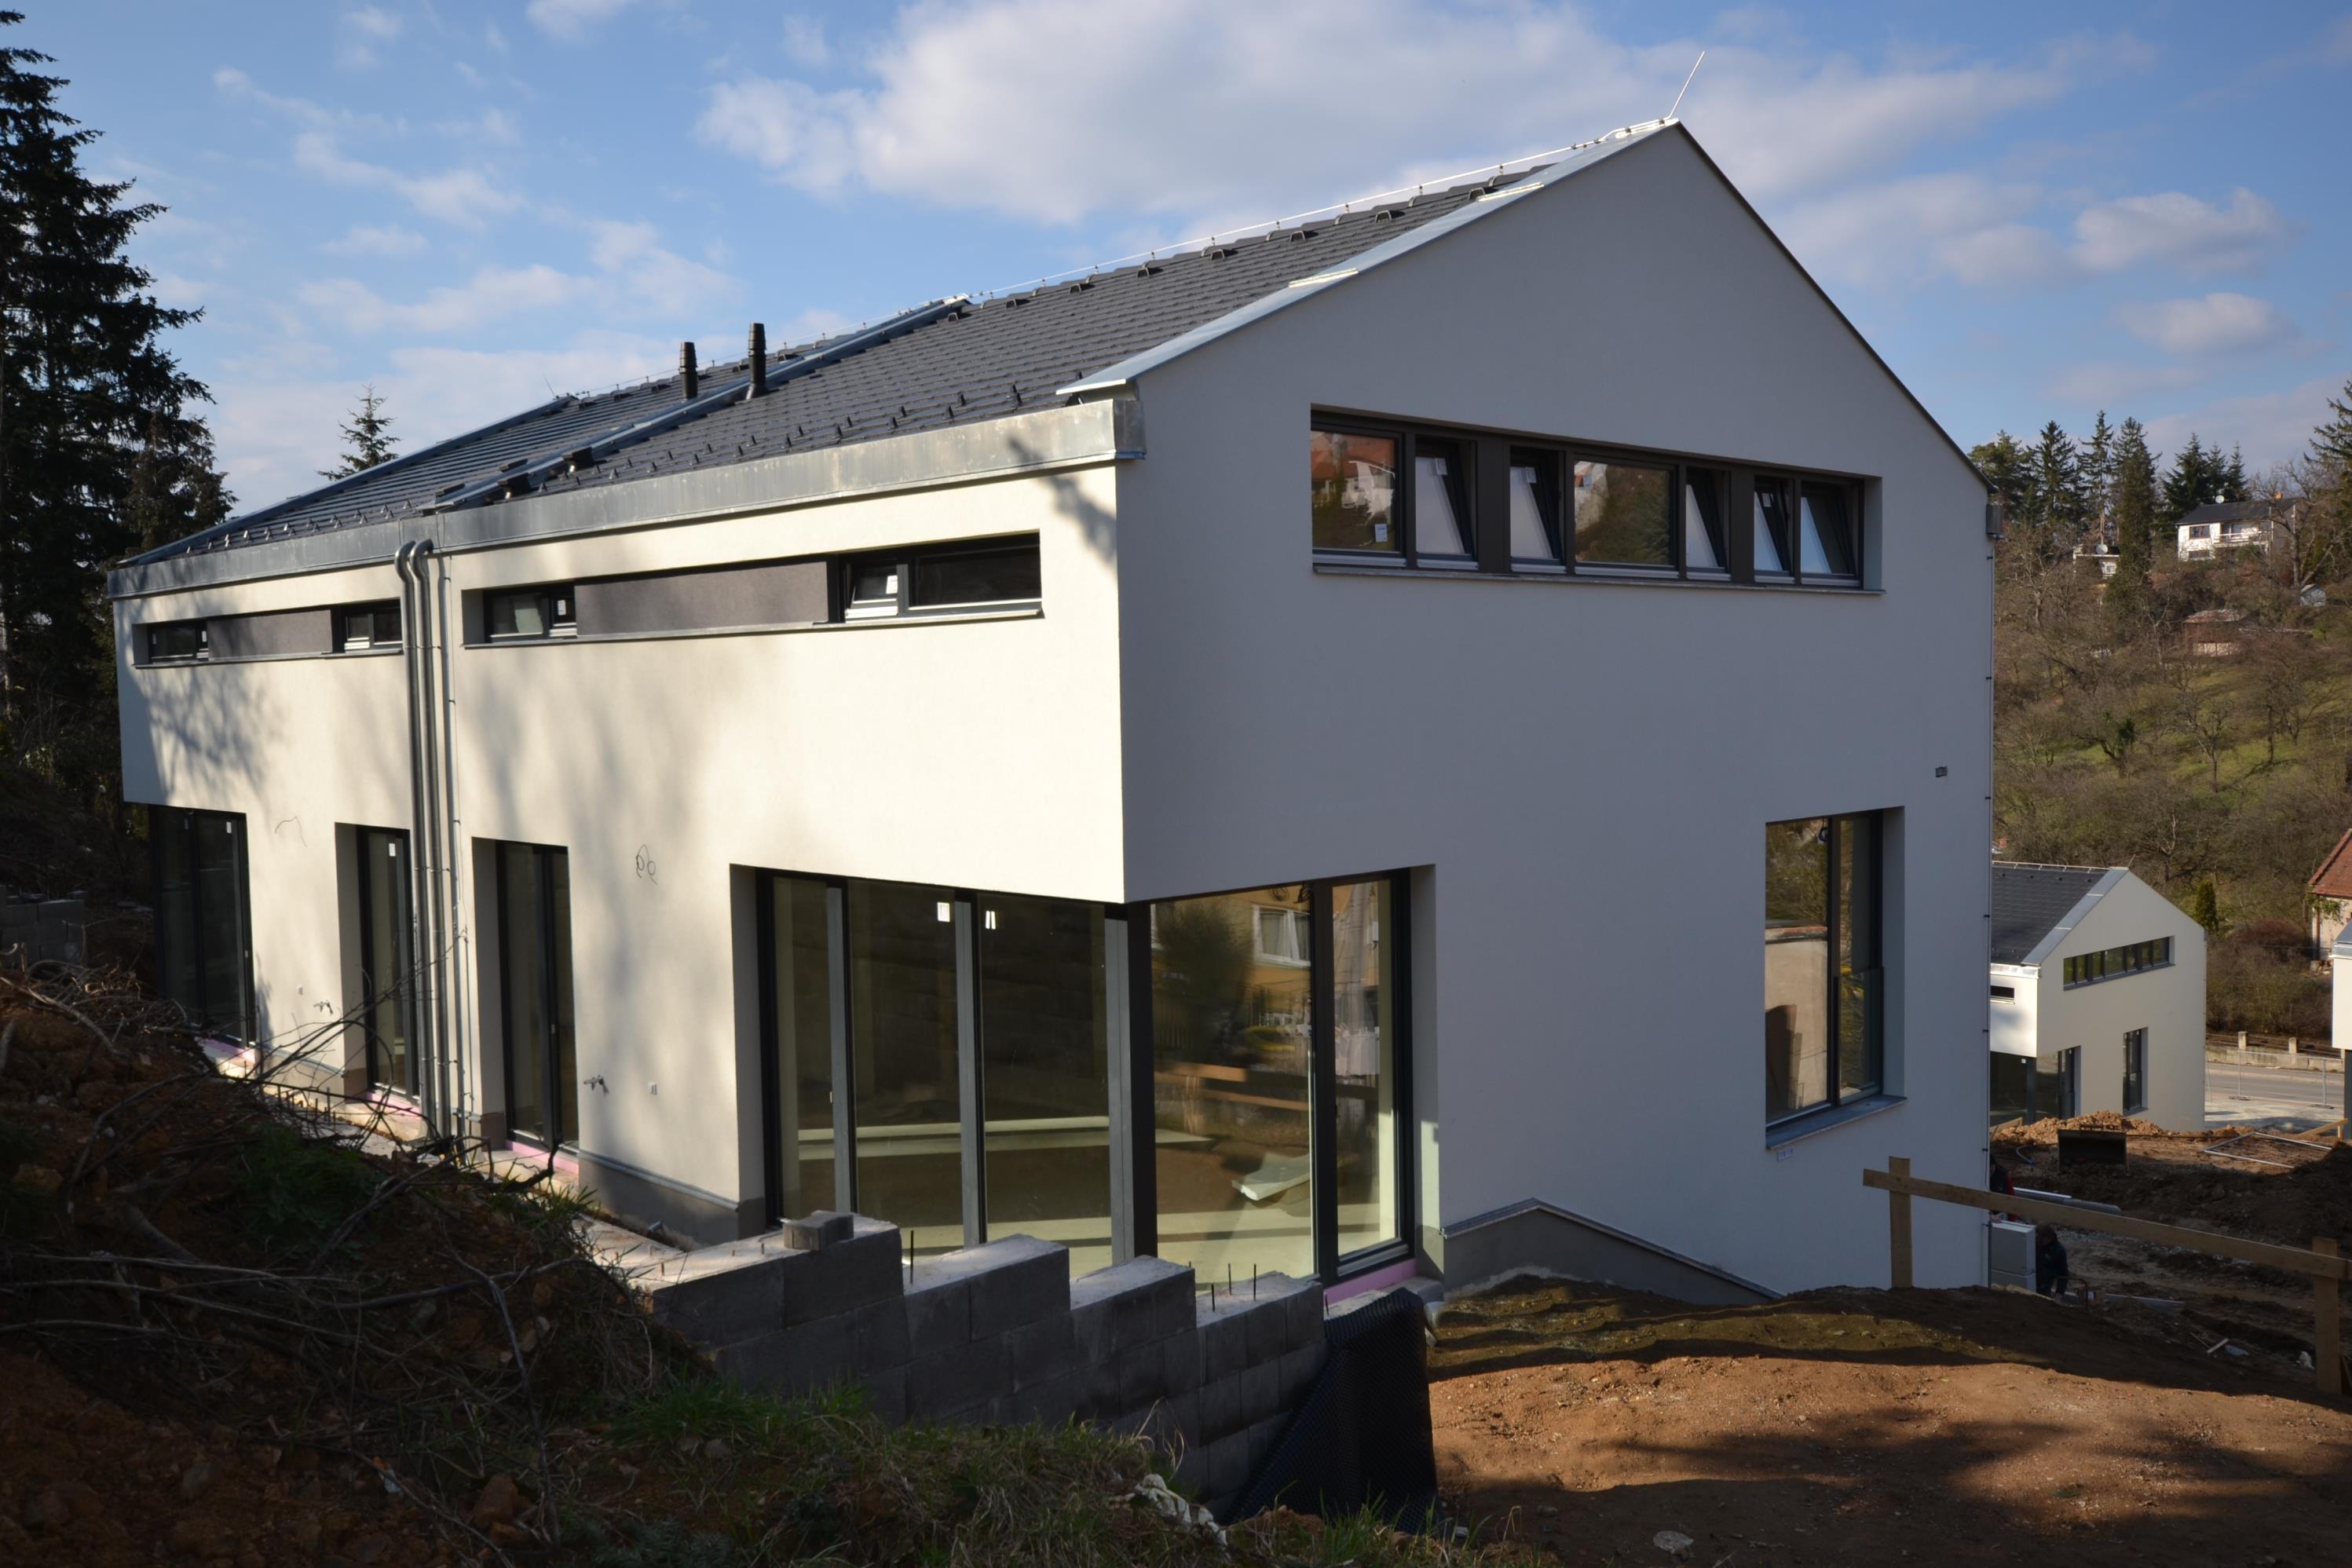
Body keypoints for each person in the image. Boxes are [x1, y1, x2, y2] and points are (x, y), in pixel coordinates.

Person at [2034, 1226, 2070, 1297]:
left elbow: (2063, 1274)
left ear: (2049, 1239)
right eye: (2036, 1239)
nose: (2038, 1242)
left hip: (2043, 1288)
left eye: (2040, 1240)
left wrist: (2059, 1294)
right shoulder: (2033, 1243)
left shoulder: (2058, 1251)